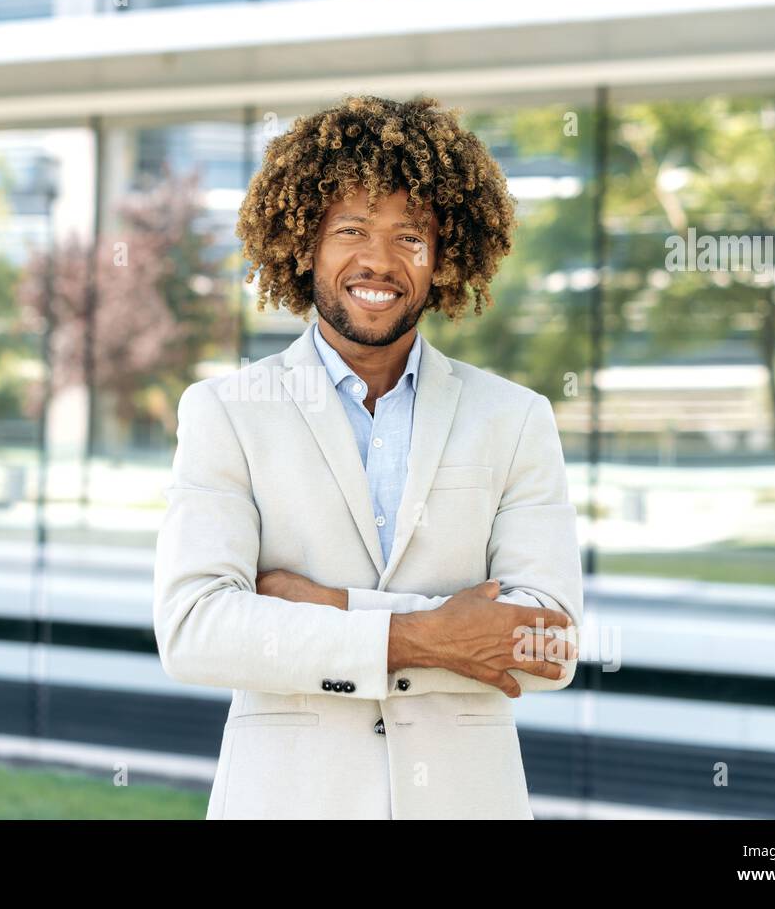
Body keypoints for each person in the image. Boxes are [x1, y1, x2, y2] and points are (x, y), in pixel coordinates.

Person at [153, 94, 581, 819]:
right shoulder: (225, 413)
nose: (378, 261)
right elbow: (196, 629)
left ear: (445, 254)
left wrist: (335, 608)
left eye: (410, 236)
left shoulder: (514, 419)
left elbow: (548, 642)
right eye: (350, 228)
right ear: (304, 243)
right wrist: (429, 635)